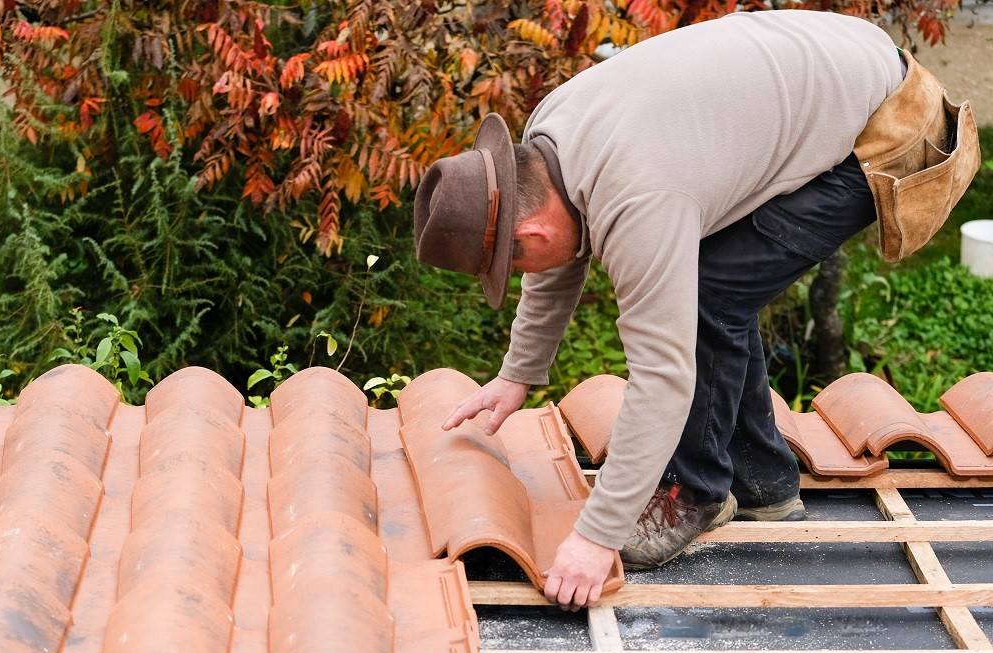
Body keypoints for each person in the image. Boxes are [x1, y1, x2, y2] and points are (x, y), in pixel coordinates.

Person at [413, 9, 979, 612]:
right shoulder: (550, 144)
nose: (523, 278)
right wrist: (517, 373)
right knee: (720, 289)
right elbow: (561, 256)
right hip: (839, 67)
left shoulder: (639, 194)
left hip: (887, 127)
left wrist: (597, 534)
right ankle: (763, 478)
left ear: (526, 228)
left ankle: (696, 492)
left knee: (709, 291)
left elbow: (664, 376)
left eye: (513, 265)